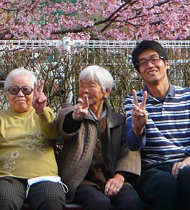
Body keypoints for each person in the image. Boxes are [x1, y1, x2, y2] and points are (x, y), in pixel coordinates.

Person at [124, 40, 190, 210]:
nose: (149, 65)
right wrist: (138, 128)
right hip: (152, 169)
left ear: (166, 63)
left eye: (154, 59)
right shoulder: (134, 102)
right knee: (165, 182)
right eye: (143, 62)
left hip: (186, 164)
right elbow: (133, 145)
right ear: (139, 72)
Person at [0, 67, 65, 210]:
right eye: (14, 89)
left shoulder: (43, 113)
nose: (20, 94)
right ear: (7, 94)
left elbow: (53, 133)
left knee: (51, 199)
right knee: (3, 199)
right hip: (8, 177)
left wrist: (41, 111)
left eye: (26, 90)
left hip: (43, 177)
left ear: (34, 92)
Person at [57, 65, 143, 210]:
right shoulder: (71, 113)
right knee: (99, 203)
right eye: (81, 85)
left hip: (112, 178)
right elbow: (65, 127)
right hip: (82, 182)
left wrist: (119, 177)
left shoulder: (118, 121)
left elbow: (129, 151)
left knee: (131, 201)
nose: (84, 90)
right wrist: (75, 119)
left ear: (106, 92)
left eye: (91, 86)